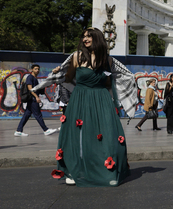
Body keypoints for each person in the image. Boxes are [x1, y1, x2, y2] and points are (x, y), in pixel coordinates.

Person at [37, 27, 137, 187]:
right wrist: (58, 73)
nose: (85, 39)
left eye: (89, 36)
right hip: (80, 99)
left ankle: (107, 171)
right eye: (83, 36)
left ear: (97, 38)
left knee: (108, 134)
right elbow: (69, 78)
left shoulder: (107, 60)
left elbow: (108, 81)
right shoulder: (76, 57)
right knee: (79, 136)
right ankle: (74, 171)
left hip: (101, 99)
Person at [15, 64, 58, 137]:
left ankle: (18, 131)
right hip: (32, 99)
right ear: (31, 70)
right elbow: (30, 89)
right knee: (38, 115)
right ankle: (46, 130)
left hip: (32, 99)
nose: (37, 70)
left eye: (38, 69)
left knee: (27, 115)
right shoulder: (30, 77)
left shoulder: (35, 78)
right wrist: (36, 97)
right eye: (35, 69)